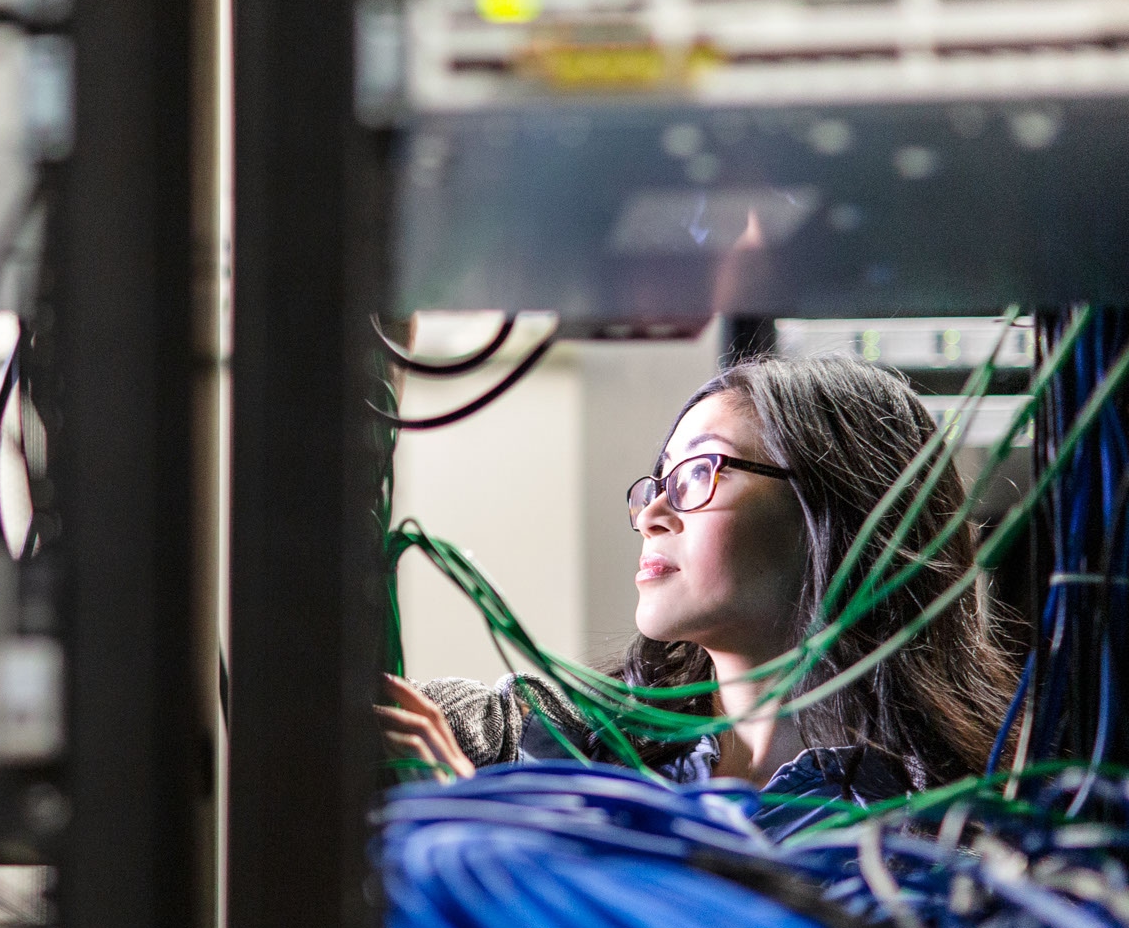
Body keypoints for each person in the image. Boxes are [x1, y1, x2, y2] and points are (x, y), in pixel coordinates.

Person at [377, 353, 1018, 837]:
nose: (651, 511)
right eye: (656, 482)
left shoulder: (953, 836)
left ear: (839, 514)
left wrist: (466, 832)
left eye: (697, 474)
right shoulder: (548, 736)